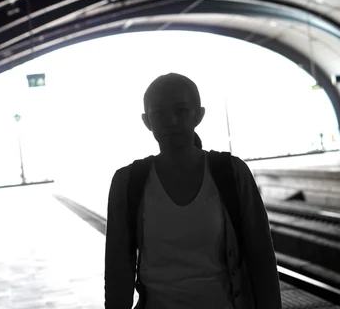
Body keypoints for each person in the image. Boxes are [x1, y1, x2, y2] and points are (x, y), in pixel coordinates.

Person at [105, 73, 281, 309]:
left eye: (181, 110)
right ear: (147, 121)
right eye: (159, 113)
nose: (171, 121)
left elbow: (261, 257)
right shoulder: (128, 182)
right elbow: (118, 268)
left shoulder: (232, 173)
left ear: (199, 115)